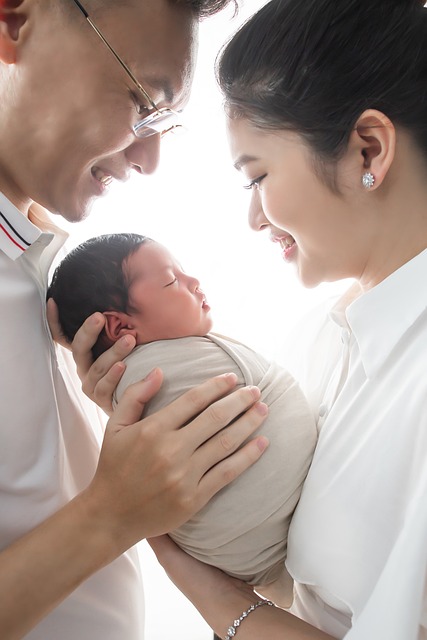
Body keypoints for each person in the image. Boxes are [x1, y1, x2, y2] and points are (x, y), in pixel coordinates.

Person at [147, 0, 427, 638]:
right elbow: (314, 586)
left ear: (368, 150)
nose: (253, 218)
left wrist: (208, 591)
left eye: (258, 175)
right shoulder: (322, 340)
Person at [0, 1, 271, 638]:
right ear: (15, 20)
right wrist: (113, 513)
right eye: (141, 99)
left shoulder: (42, 263)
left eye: (166, 120)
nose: (149, 160)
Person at [47, 231, 318, 606]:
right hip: (279, 542)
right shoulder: (154, 375)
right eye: (172, 280)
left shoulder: (142, 377)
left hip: (267, 560)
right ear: (121, 328)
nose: (193, 282)